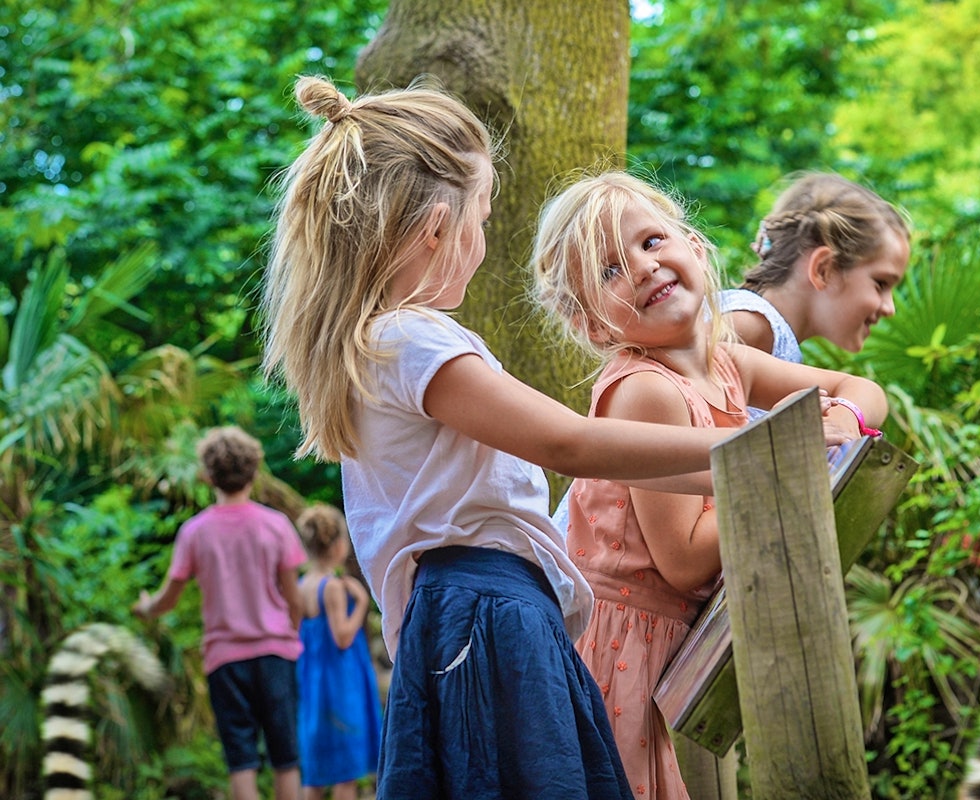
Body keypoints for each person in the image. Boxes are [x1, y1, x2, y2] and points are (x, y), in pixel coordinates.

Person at [259, 77, 857, 799]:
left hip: (486, 608)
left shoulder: (387, 342)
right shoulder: (410, 341)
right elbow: (570, 444)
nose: (484, 237)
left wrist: (761, 457)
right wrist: (761, 457)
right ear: (437, 229)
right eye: (483, 215)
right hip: (486, 608)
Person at [529, 171, 889, 799]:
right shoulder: (645, 391)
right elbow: (683, 559)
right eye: (610, 270)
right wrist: (787, 468)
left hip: (677, 642)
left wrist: (844, 420)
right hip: (625, 650)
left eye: (650, 242)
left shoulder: (728, 360)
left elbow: (864, 391)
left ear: (694, 247)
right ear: (592, 325)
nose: (641, 268)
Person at [133, 426, 305, 800]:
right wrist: (289, 632)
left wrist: (147, 608)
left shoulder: (195, 533)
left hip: (225, 660)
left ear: (206, 475)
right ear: (255, 471)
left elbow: (168, 598)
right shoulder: (276, 526)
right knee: (286, 758)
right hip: (277, 654)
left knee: (241, 761)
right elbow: (295, 600)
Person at [721, 171, 910, 363]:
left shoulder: (768, 333)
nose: (890, 308)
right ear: (823, 269)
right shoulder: (749, 328)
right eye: (881, 284)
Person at [295, 503, 382, 800]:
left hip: (313, 683)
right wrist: (360, 604)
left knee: (316, 771)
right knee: (346, 770)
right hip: (340, 684)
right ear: (336, 545)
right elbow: (342, 637)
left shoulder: (302, 584)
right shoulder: (332, 586)